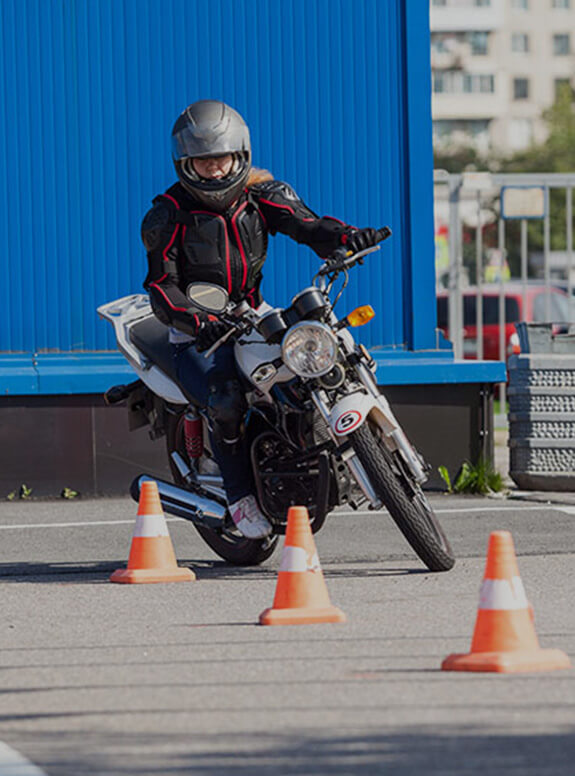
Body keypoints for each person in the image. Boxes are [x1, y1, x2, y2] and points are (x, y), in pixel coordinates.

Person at [142, 100, 380, 540]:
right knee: (226, 398)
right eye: (203, 162)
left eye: (221, 159)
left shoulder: (261, 195)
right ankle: (239, 498)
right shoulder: (168, 215)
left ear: (240, 156)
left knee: (325, 348)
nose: (214, 170)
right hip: (196, 330)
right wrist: (197, 322)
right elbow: (161, 286)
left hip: (252, 312)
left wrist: (347, 238)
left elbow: (307, 226)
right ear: (185, 163)